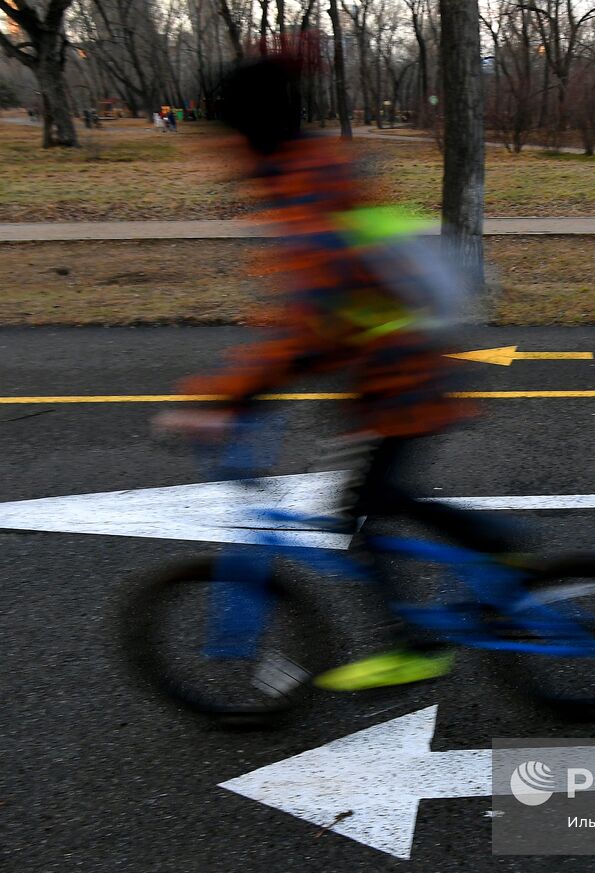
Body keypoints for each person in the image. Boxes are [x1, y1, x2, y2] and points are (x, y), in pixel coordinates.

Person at [155, 55, 512, 691]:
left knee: (366, 506)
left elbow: (308, 325)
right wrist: (243, 387)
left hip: (402, 375)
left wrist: (227, 399)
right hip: (392, 371)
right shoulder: (311, 174)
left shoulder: (306, 194)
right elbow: (314, 316)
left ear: (247, 136)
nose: (214, 156)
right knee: (370, 504)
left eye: (220, 138)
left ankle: (421, 638)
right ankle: (488, 550)